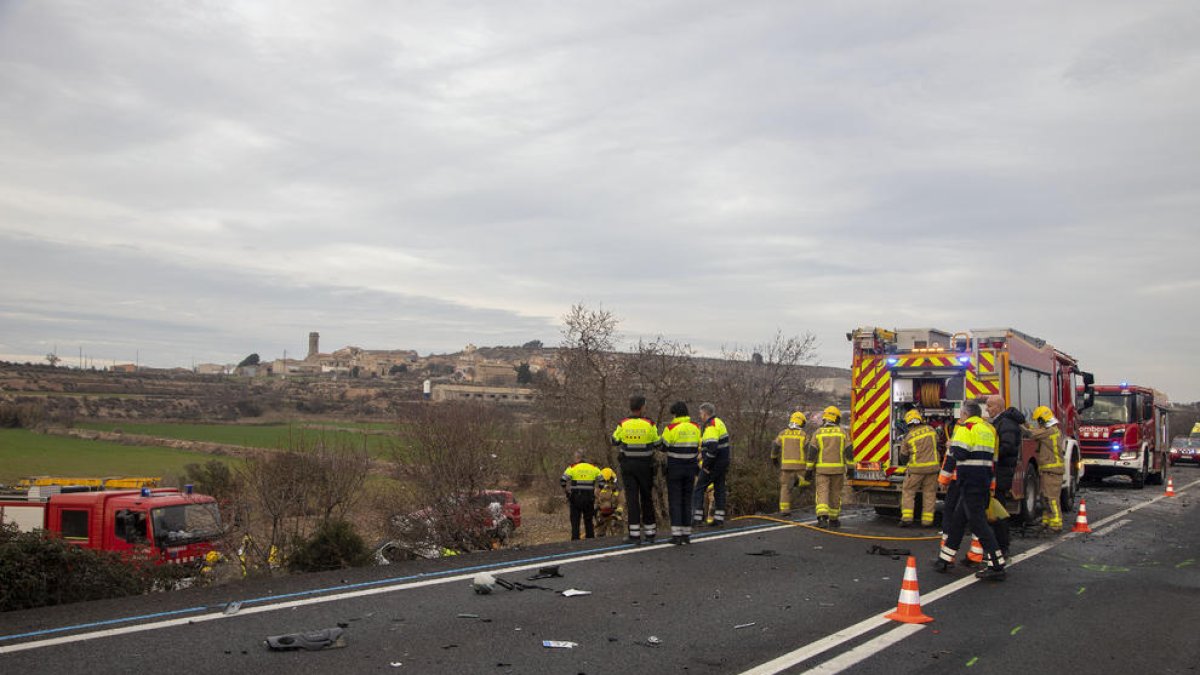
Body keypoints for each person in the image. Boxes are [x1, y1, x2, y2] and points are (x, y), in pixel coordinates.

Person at [935, 401, 1006, 580]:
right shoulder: (989, 429)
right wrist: (992, 484)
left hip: (968, 482)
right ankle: (945, 559)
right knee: (958, 521)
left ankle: (997, 566)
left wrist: (951, 446)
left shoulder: (966, 428)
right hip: (983, 481)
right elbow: (994, 460)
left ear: (965, 414)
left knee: (979, 524)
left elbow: (958, 455)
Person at [612, 394, 661, 544]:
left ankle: (634, 535)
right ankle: (650, 533)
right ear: (642, 407)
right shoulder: (649, 423)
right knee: (647, 498)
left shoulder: (623, 424)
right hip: (645, 466)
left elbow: (614, 440)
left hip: (628, 467)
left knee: (632, 500)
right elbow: (657, 442)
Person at [660, 401, 701, 545]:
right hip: (690, 468)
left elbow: (663, 446)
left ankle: (676, 535)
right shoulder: (695, 427)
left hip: (675, 468)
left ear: (675, 414)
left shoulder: (671, 428)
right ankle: (686, 534)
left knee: (675, 501)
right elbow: (699, 445)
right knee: (687, 500)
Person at [806, 406, 854, 528]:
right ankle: (834, 519)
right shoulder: (842, 432)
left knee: (822, 493)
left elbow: (812, 453)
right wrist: (851, 468)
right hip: (838, 470)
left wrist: (808, 470)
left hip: (822, 470)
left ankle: (822, 518)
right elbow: (849, 451)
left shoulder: (818, 433)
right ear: (837, 418)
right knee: (835, 493)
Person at [1025, 405, 1065, 533]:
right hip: (1048, 470)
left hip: (1052, 471)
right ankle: (1047, 521)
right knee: (1044, 497)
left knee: (1051, 498)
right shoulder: (1050, 430)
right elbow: (1034, 431)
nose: (1038, 423)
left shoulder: (1050, 431)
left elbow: (1030, 433)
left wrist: (1019, 423)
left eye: (1038, 420)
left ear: (1042, 420)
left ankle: (1056, 524)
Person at [898, 409, 940, 527]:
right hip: (932, 468)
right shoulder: (931, 431)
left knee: (908, 492)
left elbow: (903, 456)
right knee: (930, 493)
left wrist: (906, 463)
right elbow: (937, 445)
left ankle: (907, 519)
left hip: (916, 470)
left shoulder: (908, 436)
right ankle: (927, 521)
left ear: (909, 423)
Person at [692, 402, 731, 528]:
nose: (700, 416)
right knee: (719, 489)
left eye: (701, 414)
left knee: (699, 488)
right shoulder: (719, 422)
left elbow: (712, 448)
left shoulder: (711, 425)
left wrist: (706, 466)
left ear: (705, 413)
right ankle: (719, 519)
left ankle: (697, 519)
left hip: (714, 464)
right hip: (723, 462)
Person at [771, 411, 810, 513]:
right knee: (806, 481)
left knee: (784, 487)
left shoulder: (783, 433)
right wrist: (811, 464)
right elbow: (808, 449)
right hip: (800, 466)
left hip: (786, 466)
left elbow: (775, 446)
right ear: (801, 422)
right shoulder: (803, 435)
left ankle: (784, 510)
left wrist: (774, 458)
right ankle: (798, 480)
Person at [986, 395, 1025, 499]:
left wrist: (989, 454)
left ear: (998, 407)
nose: (986, 409)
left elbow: (1007, 446)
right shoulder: (1001, 422)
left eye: (989, 406)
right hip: (1001, 468)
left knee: (999, 499)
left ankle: (1000, 516)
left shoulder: (1006, 423)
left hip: (1002, 469)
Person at [560, 449, 602, 541]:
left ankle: (575, 541)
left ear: (578, 458)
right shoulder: (593, 467)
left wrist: (566, 492)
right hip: (589, 498)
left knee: (575, 521)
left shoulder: (572, 467)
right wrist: (598, 491)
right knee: (588, 520)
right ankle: (590, 540)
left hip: (575, 498)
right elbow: (602, 481)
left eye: (575, 457)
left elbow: (563, 481)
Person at [594, 467, 624, 537]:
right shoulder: (599, 488)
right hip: (602, 515)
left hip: (614, 515)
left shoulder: (617, 489)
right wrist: (597, 510)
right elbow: (596, 500)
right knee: (600, 536)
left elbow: (621, 502)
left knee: (618, 536)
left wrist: (618, 512)